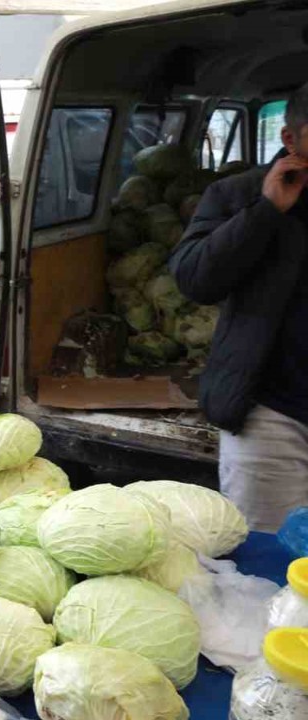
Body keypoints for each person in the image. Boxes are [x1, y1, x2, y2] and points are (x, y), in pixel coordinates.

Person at [171, 84, 308, 532]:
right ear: (290, 140)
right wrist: (265, 212)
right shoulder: (237, 194)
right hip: (273, 414)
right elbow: (195, 279)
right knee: (269, 552)